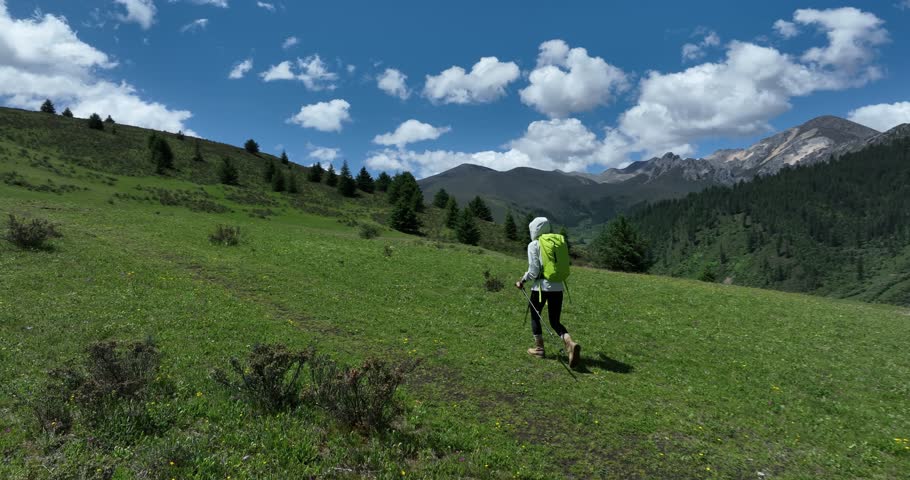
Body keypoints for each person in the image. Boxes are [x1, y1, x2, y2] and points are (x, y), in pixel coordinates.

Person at [515, 217, 581, 367]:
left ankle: (539, 349)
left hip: (541, 288)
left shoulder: (534, 245)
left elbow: (533, 271)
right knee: (555, 321)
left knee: (535, 315)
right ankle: (570, 343)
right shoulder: (556, 243)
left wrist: (522, 281)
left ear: (534, 230)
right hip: (558, 287)